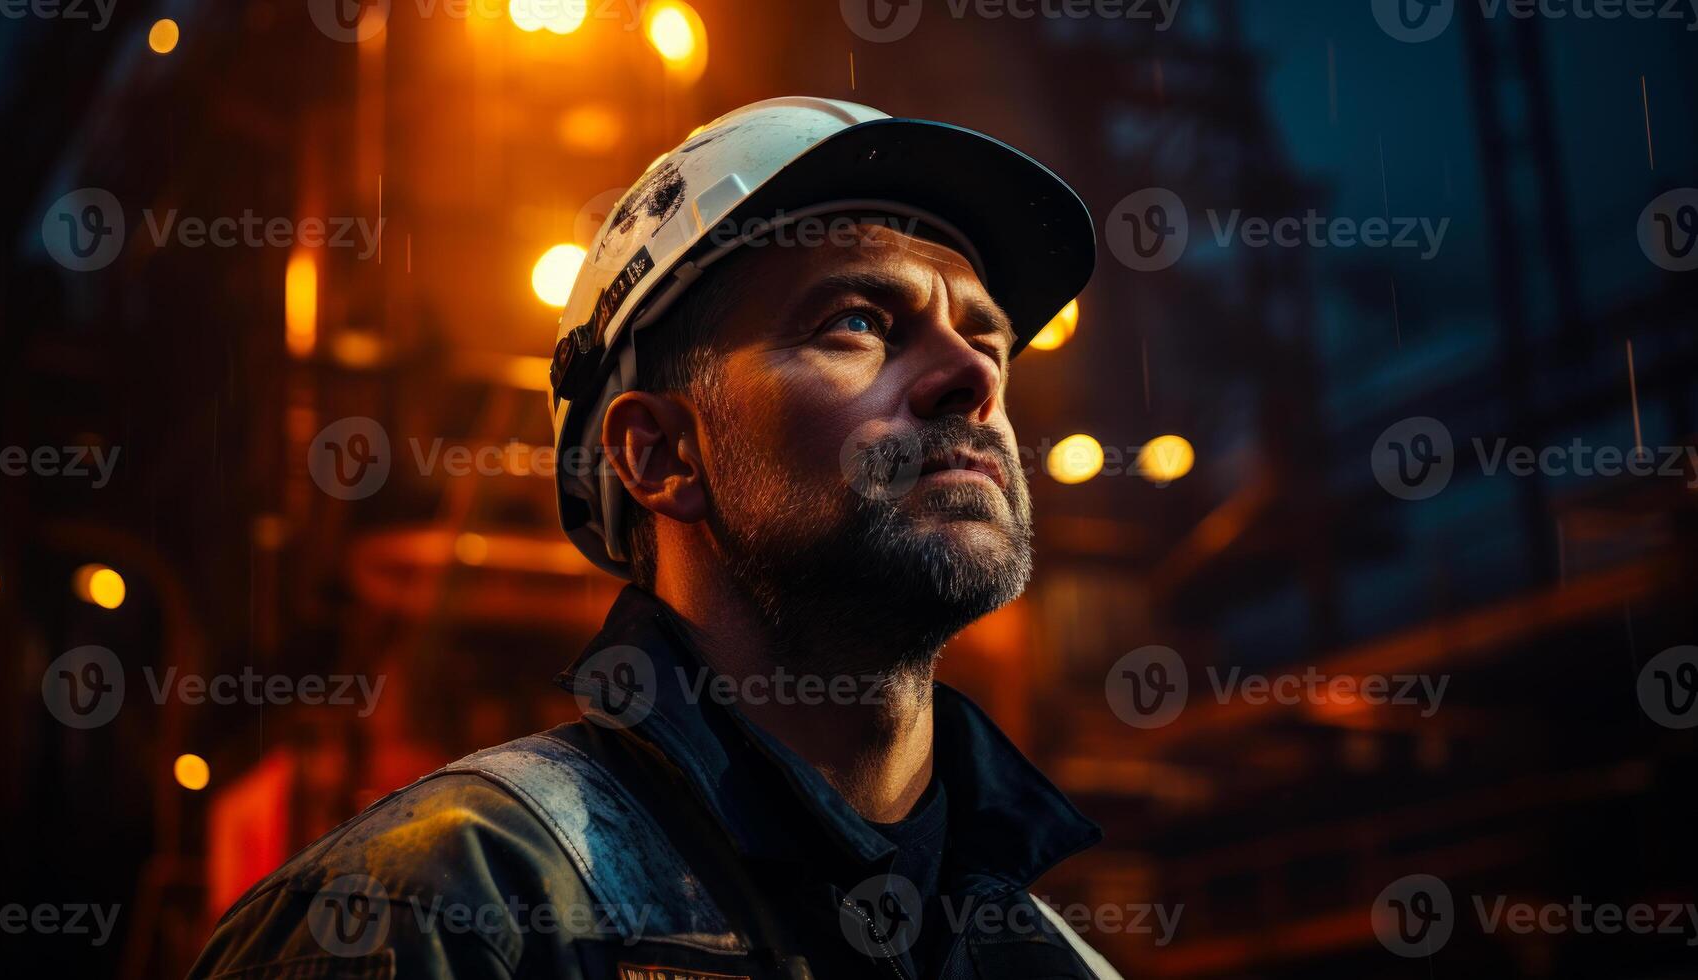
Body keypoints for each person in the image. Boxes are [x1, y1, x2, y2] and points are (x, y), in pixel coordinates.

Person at [190, 96, 1119, 980]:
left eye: (987, 340)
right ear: (662, 455)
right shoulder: (429, 913)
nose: (971, 376)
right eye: (857, 323)